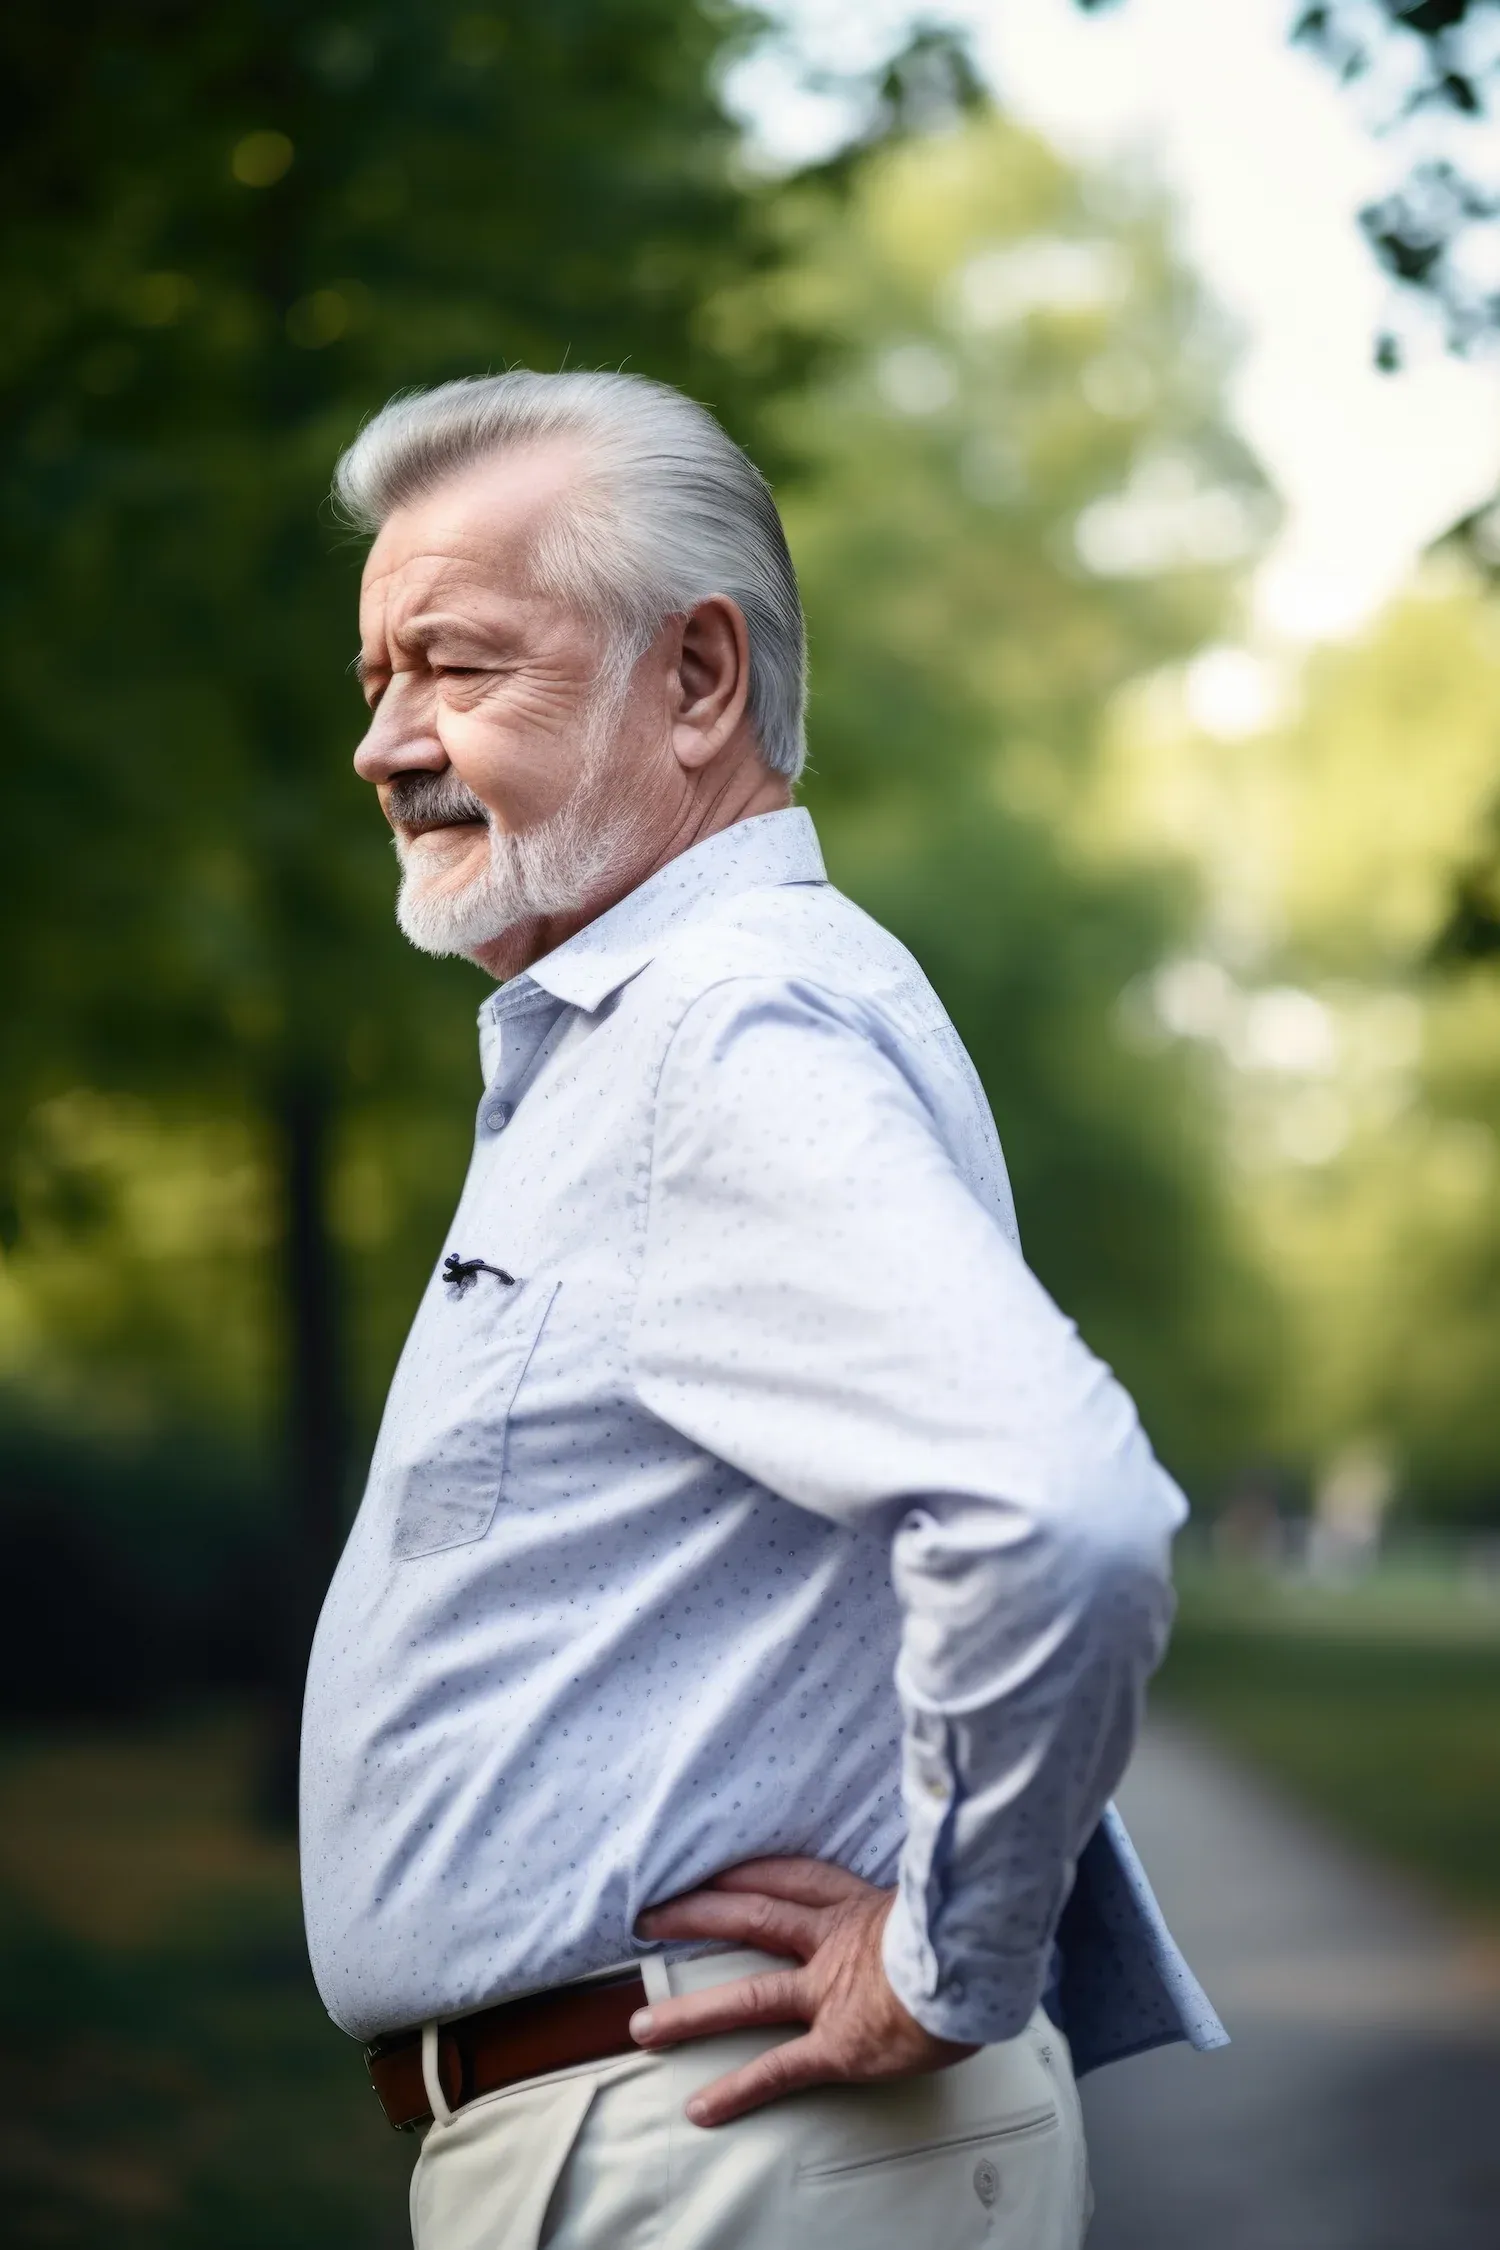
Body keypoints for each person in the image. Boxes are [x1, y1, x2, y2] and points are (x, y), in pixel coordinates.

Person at [300, 369, 1225, 2250]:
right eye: (375, 678)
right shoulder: (659, 1029)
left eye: (457, 667)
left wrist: (949, 1954)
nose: (387, 739)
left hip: (713, 2148)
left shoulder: (719, 1024)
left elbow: (1061, 1512)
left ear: (699, 680)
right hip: (692, 2150)